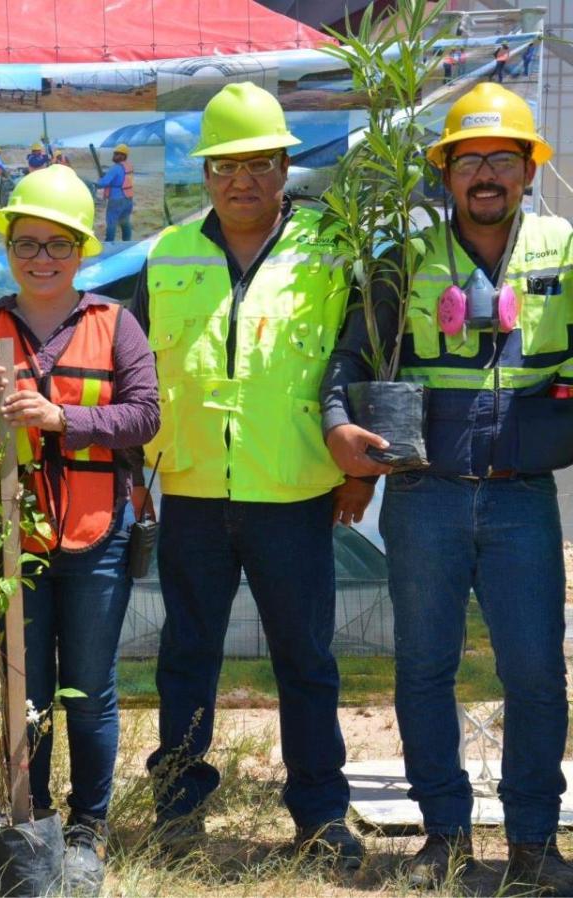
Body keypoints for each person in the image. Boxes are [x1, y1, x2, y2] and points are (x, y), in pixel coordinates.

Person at [322, 82, 573, 892]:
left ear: (531, 170)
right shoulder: (404, 263)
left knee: (534, 672)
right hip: (424, 497)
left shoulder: (566, 254)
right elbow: (348, 365)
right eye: (471, 161)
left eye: (505, 158)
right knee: (424, 668)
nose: (488, 175)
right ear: (445, 176)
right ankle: (445, 837)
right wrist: (341, 431)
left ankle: (534, 842)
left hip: (522, 498)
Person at [132, 82, 367, 866]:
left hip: (293, 492)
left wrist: (357, 471)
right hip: (194, 490)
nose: (243, 181)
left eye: (260, 164)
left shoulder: (329, 251)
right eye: (226, 166)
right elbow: (138, 371)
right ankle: (177, 811)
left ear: (284, 168)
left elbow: (354, 365)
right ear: (204, 176)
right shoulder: (169, 254)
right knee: (186, 658)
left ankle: (321, 815)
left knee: (306, 659)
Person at [0, 164, 160, 895]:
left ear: (82, 251)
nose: (42, 258)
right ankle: (33, 817)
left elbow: (145, 415)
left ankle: (88, 832)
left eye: (58, 245)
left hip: (97, 534)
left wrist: (62, 418)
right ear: (8, 247)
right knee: (24, 685)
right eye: (27, 243)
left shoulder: (115, 324)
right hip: (14, 542)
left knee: (89, 689)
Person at [96, 144, 134, 242]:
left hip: (116, 199)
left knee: (111, 223)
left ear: (123, 156)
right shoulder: (128, 166)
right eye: (115, 153)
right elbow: (120, 179)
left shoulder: (115, 168)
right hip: (128, 198)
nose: (115, 156)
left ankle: (109, 244)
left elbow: (103, 183)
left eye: (118, 154)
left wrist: (97, 182)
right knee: (125, 222)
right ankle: (127, 242)